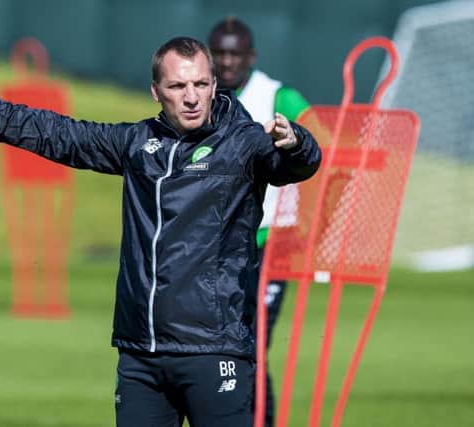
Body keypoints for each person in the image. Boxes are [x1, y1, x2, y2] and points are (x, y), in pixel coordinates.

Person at [0, 36, 320, 427]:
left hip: (213, 351)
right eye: (178, 85)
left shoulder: (244, 143)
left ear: (214, 85)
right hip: (141, 356)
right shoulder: (137, 143)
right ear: (156, 91)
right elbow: (61, 135)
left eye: (200, 84)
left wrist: (296, 143)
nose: (192, 96)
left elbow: (298, 166)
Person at [208, 17, 312, 427]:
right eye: (220, 53)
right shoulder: (202, 98)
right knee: (224, 344)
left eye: (235, 53)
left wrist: (311, 223)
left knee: (253, 343)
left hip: (271, 241)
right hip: (220, 241)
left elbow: (321, 146)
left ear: (251, 56)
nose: (228, 61)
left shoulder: (278, 97)